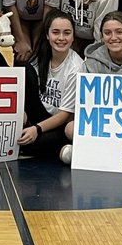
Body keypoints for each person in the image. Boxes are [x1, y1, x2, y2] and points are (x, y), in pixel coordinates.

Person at [20, 10, 82, 165]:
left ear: (73, 37)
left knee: (28, 144)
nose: (61, 38)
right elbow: (29, 91)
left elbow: (65, 115)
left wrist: (36, 129)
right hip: (39, 114)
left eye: (67, 33)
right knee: (23, 68)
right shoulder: (41, 56)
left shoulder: (76, 67)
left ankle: (67, 149)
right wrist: (22, 114)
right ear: (47, 35)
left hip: (60, 124)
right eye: (55, 32)